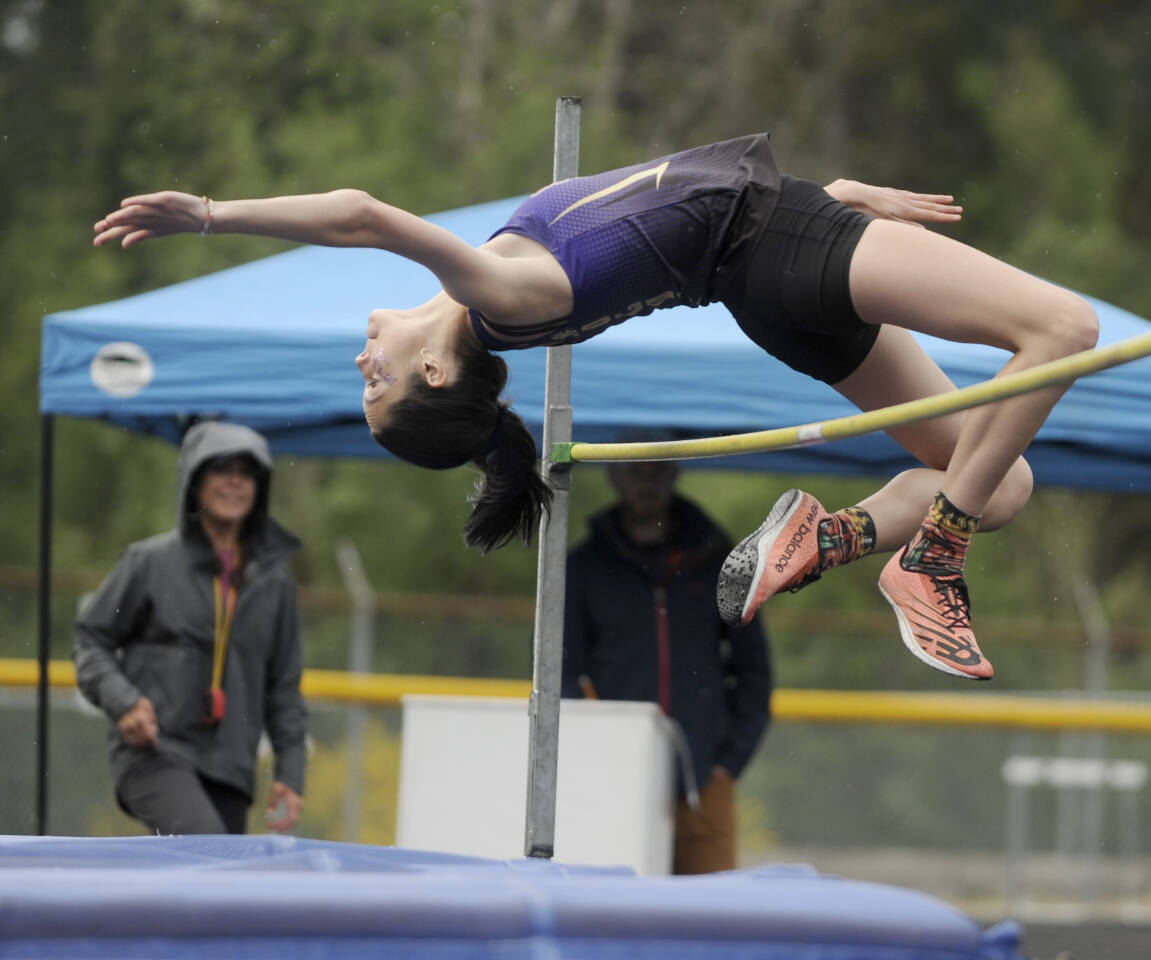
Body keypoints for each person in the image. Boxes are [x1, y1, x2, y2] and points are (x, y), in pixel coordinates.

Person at [92, 133, 1098, 680]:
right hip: (778, 250)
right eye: (373, 378)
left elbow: (653, 214)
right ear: (435, 376)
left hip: (775, 271)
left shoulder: (498, 287)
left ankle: (833, 538)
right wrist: (213, 216)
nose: (362, 353)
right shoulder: (496, 294)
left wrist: (824, 197)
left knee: (997, 477)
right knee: (1060, 331)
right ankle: (931, 560)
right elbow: (360, 214)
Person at [74, 421, 307, 835]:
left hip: (232, 767)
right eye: (221, 468)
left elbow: (284, 687)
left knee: (218, 890)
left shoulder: (275, 582)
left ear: (260, 486)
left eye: (247, 471)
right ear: (194, 480)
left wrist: (290, 772)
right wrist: (123, 701)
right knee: (208, 854)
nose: (235, 481)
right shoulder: (149, 562)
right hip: (155, 753)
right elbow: (91, 640)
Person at [562, 458, 772, 873]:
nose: (647, 483)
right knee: (613, 906)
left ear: (675, 475)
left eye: (658, 471)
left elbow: (754, 670)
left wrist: (728, 763)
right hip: (613, 781)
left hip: (703, 779)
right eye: (636, 471)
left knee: (709, 916)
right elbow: (561, 670)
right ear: (614, 476)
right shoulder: (583, 567)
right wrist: (593, 748)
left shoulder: (722, 561)